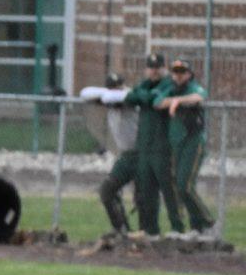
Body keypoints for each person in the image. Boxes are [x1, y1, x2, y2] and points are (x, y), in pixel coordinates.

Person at [124, 53, 184, 239]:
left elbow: (153, 99)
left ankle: (177, 228)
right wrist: (144, 95)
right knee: (146, 189)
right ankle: (150, 230)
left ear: (163, 68)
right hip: (145, 146)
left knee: (168, 188)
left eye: (157, 67)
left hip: (163, 146)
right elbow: (130, 97)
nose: (154, 71)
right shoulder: (144, 84)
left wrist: (145, 96)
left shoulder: (168, 84)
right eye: (151, 67)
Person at [154, 58, 216, 238]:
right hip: (177, 143)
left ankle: (208, 222)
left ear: (189, 74)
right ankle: (196, 227)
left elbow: (199, 97)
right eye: (175, 72)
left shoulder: (192, 87)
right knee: (179, 186)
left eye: (182, 72)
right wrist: (173, 100)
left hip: (193, 141)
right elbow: (158, 102)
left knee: (185, 185)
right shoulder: (170, 88)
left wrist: (177, 102)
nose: (178, 76)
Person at [92, 73, 139, 236]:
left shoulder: (131, 97)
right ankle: (122, 230)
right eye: (112, 88)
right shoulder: (109, 100)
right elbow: (89, 94)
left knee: (143, 198)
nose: (115, 91)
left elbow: (122, 99)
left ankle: (147, 234)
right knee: (108, 191)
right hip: (126, 155)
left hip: (141, 154)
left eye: (118, 87)